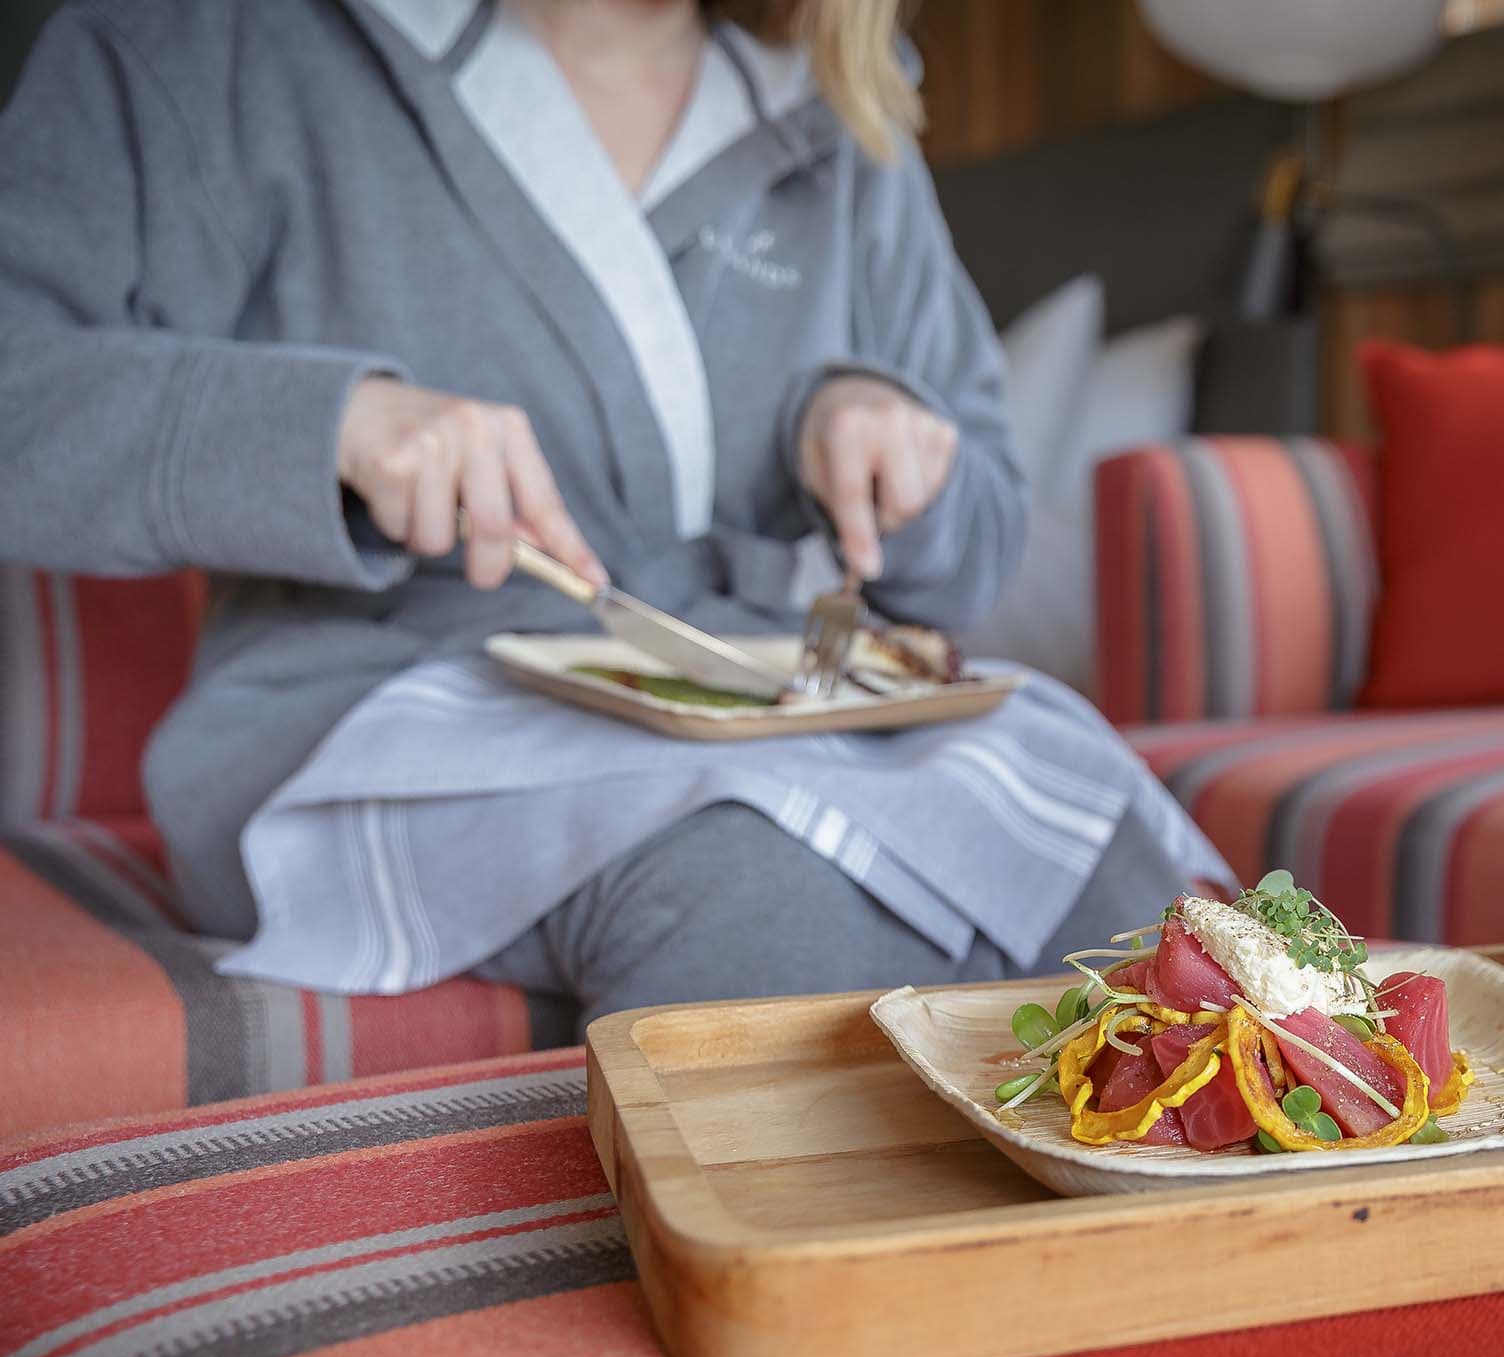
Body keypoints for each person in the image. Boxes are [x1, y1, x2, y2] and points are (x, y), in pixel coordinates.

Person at [0, 0, 1227, 1017]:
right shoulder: (217, 46)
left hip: (762, 712)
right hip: (368, 711)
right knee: (763, 884)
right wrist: (338, 428)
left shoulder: (838, 118)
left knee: (1132, 883)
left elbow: (981, 538)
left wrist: (876, 430)